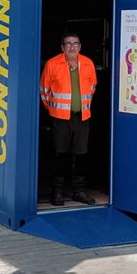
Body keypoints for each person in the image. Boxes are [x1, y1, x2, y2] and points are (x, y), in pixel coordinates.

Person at [40, 32, 97, 206]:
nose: (72, 46)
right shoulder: (52, 64)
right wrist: (55, 109)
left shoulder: (88, 63)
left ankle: (79, 191)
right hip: (60, 118)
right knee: (59, 155)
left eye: (75, 43)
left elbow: (93, 87)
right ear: (62, 47)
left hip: (82, 117)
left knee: (81, 155)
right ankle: (57, 191)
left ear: (80, 46)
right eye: (68, 43)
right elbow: (44, 91)